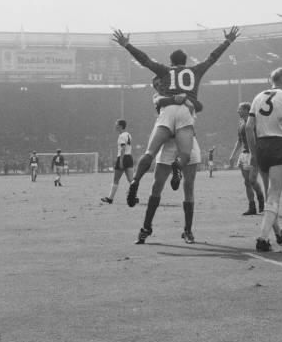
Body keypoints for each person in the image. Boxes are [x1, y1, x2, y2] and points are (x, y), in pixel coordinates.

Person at [112, 25, 240, 206]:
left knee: (150, 152)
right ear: (185, 61)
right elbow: (212, 58)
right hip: (185, 115)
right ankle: (179, 168)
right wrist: (227, 41)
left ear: (171, 62)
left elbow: (145, 60)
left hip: (166, 115)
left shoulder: (165, 72)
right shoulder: (195, 71)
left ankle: (135, 181)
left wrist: (127, 45)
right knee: (186, 154)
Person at [136, 77, 201, 244]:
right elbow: (159, 101)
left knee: (189, 187)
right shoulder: (159, 99)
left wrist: (185, 99)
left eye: (161, 83)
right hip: (168, 146)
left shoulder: (184, 96)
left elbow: (196, 108)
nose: (159, 87)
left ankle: (187, 230)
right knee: (156, 186)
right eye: (156, 85)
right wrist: (178, 99)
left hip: (187, 143)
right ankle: (146, 227)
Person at [245, 67, 282, 252]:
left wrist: (253, 152)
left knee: (270, 194)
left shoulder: (258, 96)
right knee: (275, 194)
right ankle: (262, 238)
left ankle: (277, 232)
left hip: (261, 146)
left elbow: (248, 127)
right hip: (279, 144)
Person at [228, 102, 265, 215]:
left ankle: (260, 197)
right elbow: (239, 141)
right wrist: (232, 156)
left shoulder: (254, 122)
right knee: (246, 182)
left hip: (254, 154)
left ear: (246, 110)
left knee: (252, 180)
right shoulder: (241, 123)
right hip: (244, 155)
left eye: (240, 109)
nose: (237, 111)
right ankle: (252, 207)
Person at [101, 120, 133, 204]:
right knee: (131, 180)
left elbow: (122, 148)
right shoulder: (128, 134)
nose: (115, 126)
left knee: (116, 180)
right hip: (129, 157)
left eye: (117, 125)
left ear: (121, 126)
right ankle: (134, 196)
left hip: (122, 157)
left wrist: (121, 161)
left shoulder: (122, 136)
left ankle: (110, 198)